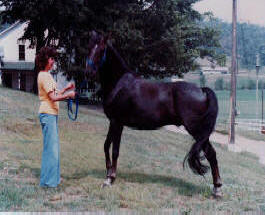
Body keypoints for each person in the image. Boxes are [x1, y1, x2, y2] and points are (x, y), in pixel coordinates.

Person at [36, 46, 75, 188]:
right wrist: (68, 95)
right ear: (45, 60)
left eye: (53, 59)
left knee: (53, 148)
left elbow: (55, 93)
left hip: (51, 115)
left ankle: (53, 179)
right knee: (51, 150)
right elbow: (53, 97)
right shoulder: (44, 75)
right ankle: (48, 182)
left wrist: (65, 89)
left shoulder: (47, 75)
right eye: (51, 58)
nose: (53, 61)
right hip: (48, 114)